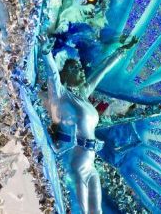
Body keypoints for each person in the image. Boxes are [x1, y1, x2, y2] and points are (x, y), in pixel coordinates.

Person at [38, 34, 137, 214]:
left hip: (90, 163)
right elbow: (52, 75)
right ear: (65, 74)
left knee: (97, 210)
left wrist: (122, 51)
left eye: (81, 67)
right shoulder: (59, 95)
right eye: (75, 68)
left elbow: (102, 70)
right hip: (73, 162)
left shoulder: (83, 94)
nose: (82, 70)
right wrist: (46, 53)